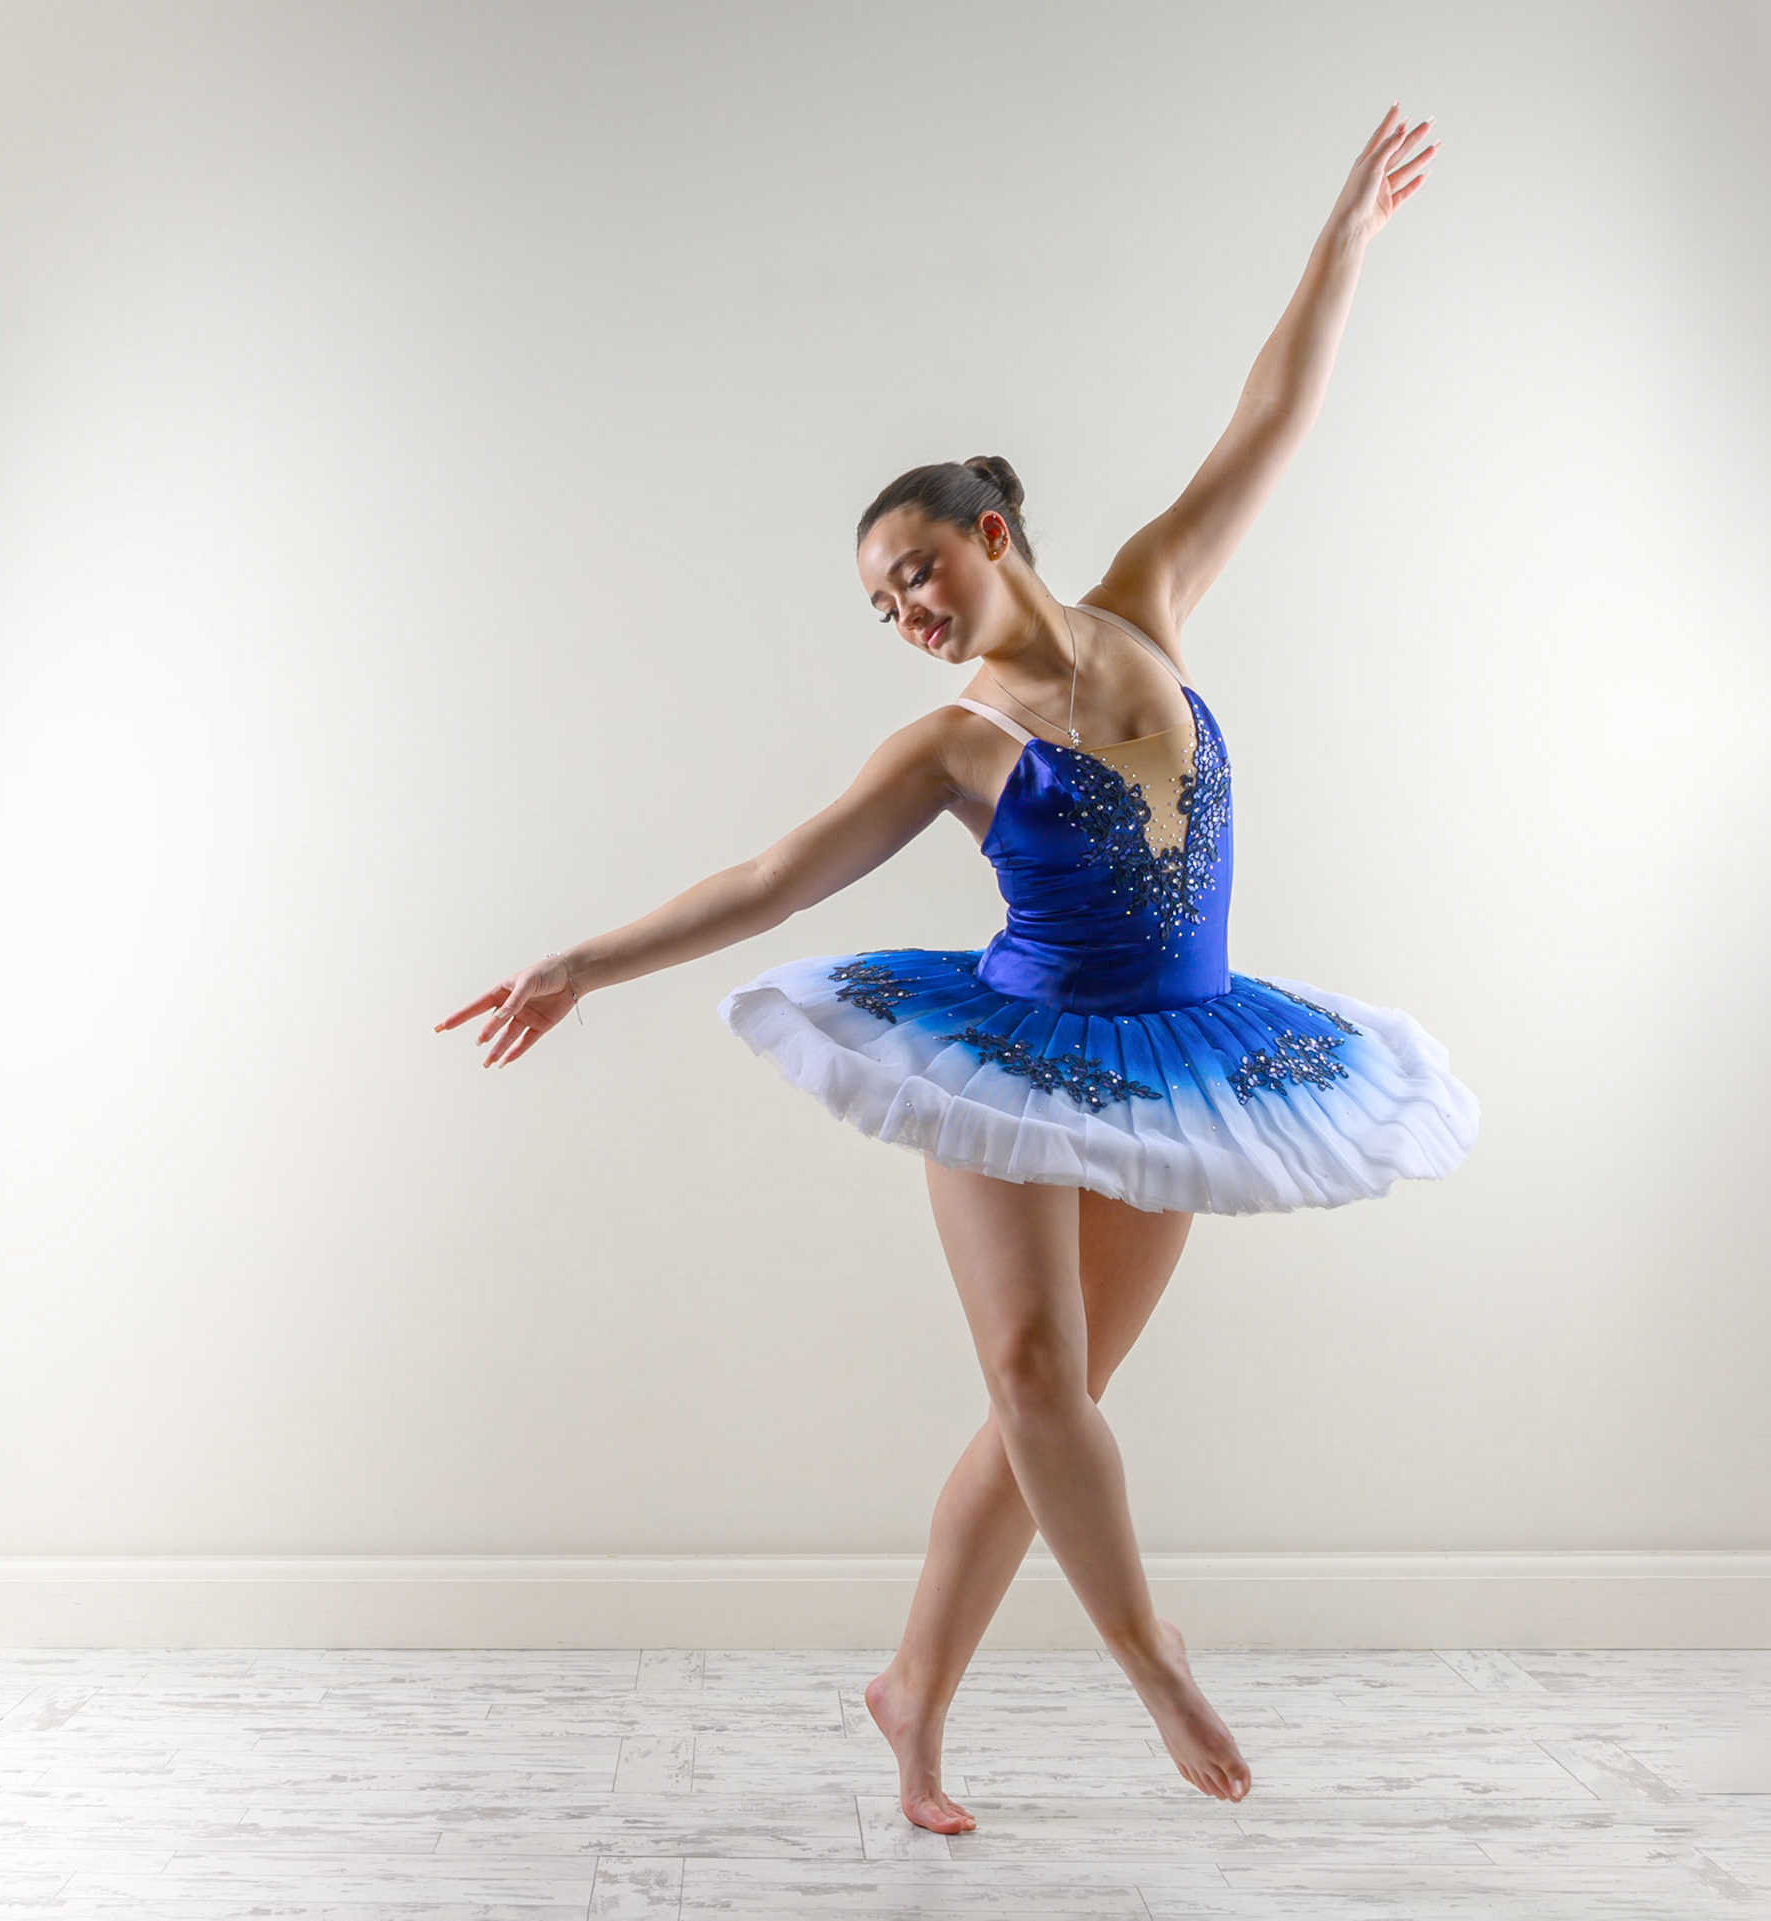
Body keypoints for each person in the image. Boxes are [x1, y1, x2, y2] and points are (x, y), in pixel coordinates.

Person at [437, 104, 1473, 1829]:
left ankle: (909, 1688)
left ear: (992, 530)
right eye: (880, 601)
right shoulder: (948, 747)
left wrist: (1345, 236)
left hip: (1181, 1054)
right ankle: (1152, 1657)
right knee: (1031, 1381)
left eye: (913, 569)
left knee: (1052, 1418)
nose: (903, 608)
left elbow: (1271, 413)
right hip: (1009, 1055)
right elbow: (772, 878)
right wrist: (581, 963)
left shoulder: (1151, 602)